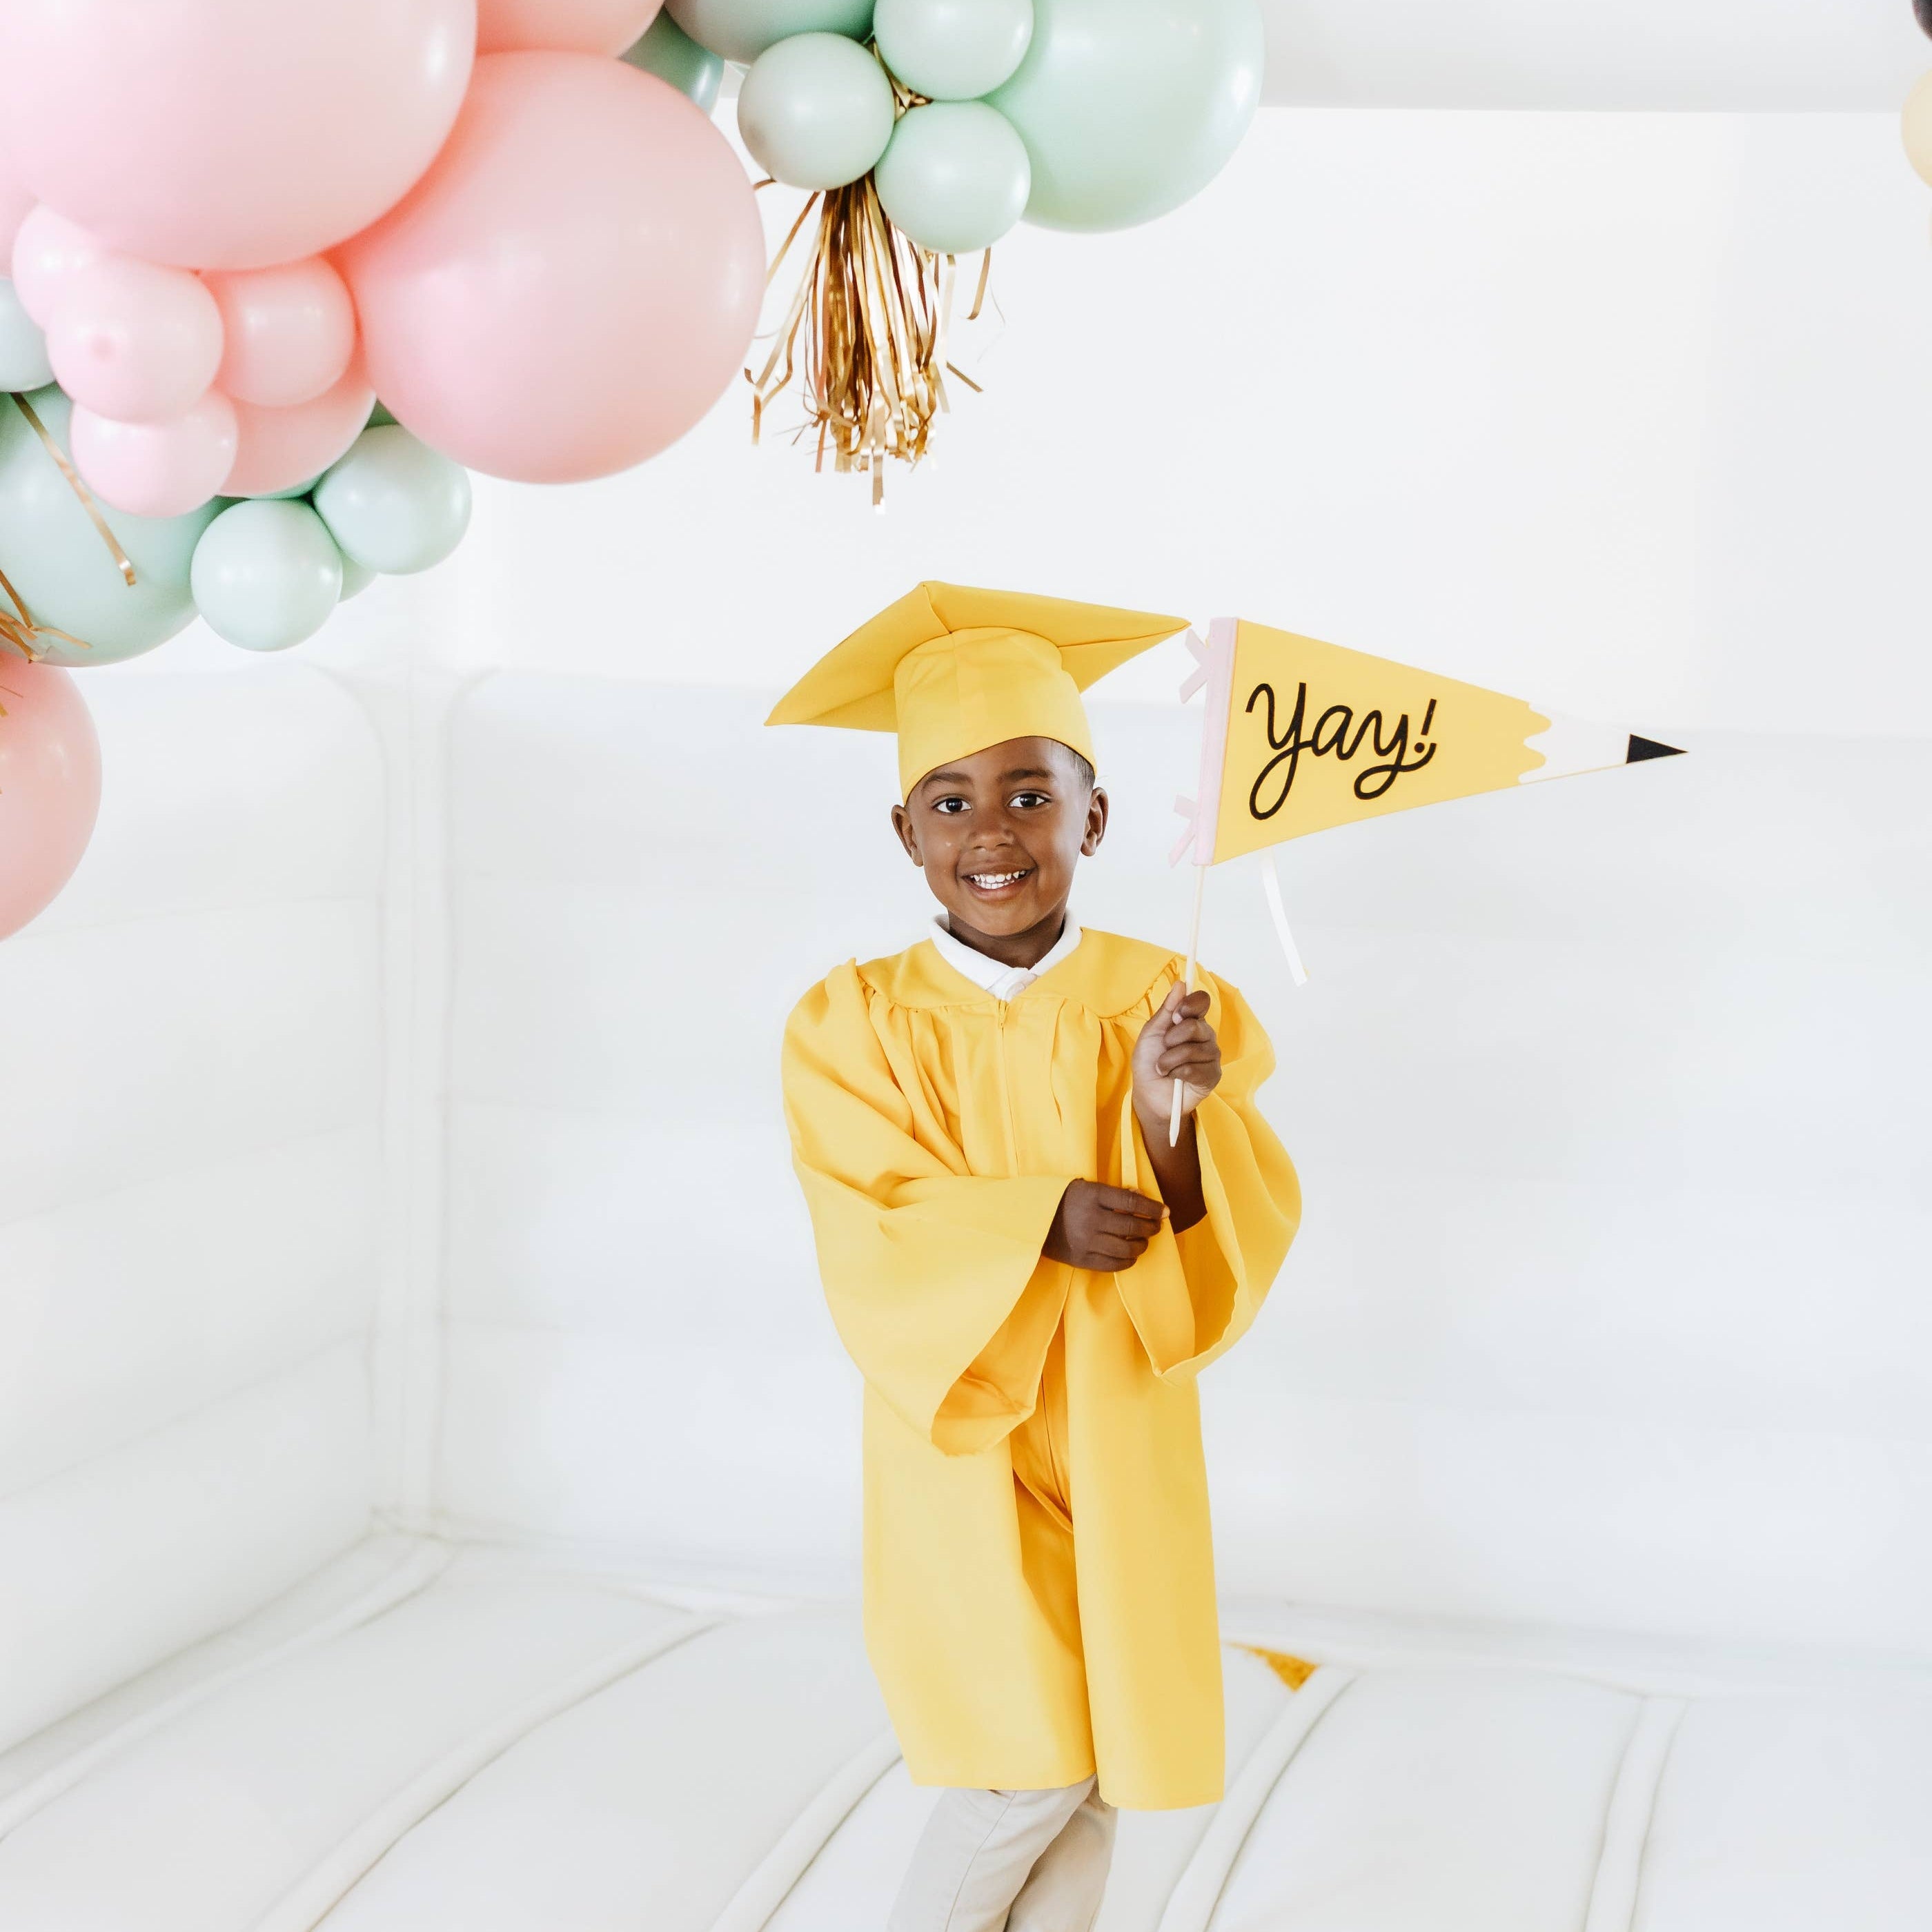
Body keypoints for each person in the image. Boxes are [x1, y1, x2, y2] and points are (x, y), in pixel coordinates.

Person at [772, 583, 1301, 1931]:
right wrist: (1039, 1221)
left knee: (1100, 1764)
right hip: (967, 1428)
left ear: (1094, 816)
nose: (991, 832)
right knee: (1025, 1763)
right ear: (906, 833)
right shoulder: (851, 1023)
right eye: (949, 802)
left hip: (1118, 1414)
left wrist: (1167, 1117)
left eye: (1029, 794)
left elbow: (1220, 1220)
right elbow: (872, 1219)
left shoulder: (1162, 998)